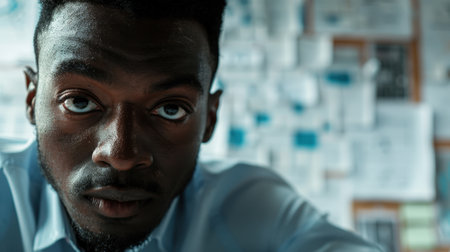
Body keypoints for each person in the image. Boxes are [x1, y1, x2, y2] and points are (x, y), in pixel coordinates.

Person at [0, 0, 384, 251]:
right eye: (80, 102)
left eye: (170, 109)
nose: (120, 155)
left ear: (210, 119)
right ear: (32, 99)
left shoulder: (249, 208)